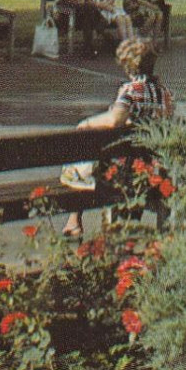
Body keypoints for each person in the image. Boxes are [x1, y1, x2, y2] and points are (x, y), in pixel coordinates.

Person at [61, 38, 174, 238]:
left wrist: (87, 123)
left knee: (79, 161)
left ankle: (74, 220)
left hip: (123, 171)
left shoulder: (131, 91)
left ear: (127, 66)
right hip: (151, 169)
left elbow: (116, 119)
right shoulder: (164, 94)